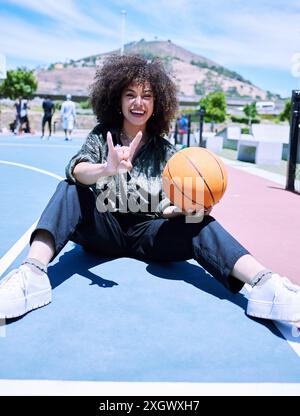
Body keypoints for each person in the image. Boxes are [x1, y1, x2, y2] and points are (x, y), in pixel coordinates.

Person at [1, 54, 300, 328]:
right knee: (69, 189)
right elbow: (76, 169)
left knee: (199, 221)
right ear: (117, 100)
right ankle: (33, 273)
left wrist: (187, 208)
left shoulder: (167, 152)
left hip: (149, 232)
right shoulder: (101, 136)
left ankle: (265, 284)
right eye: (130, 94)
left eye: (146, 96)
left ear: (157, 103)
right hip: (103, 226)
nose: (138, 102)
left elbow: (169, 207)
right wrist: (107, 167)